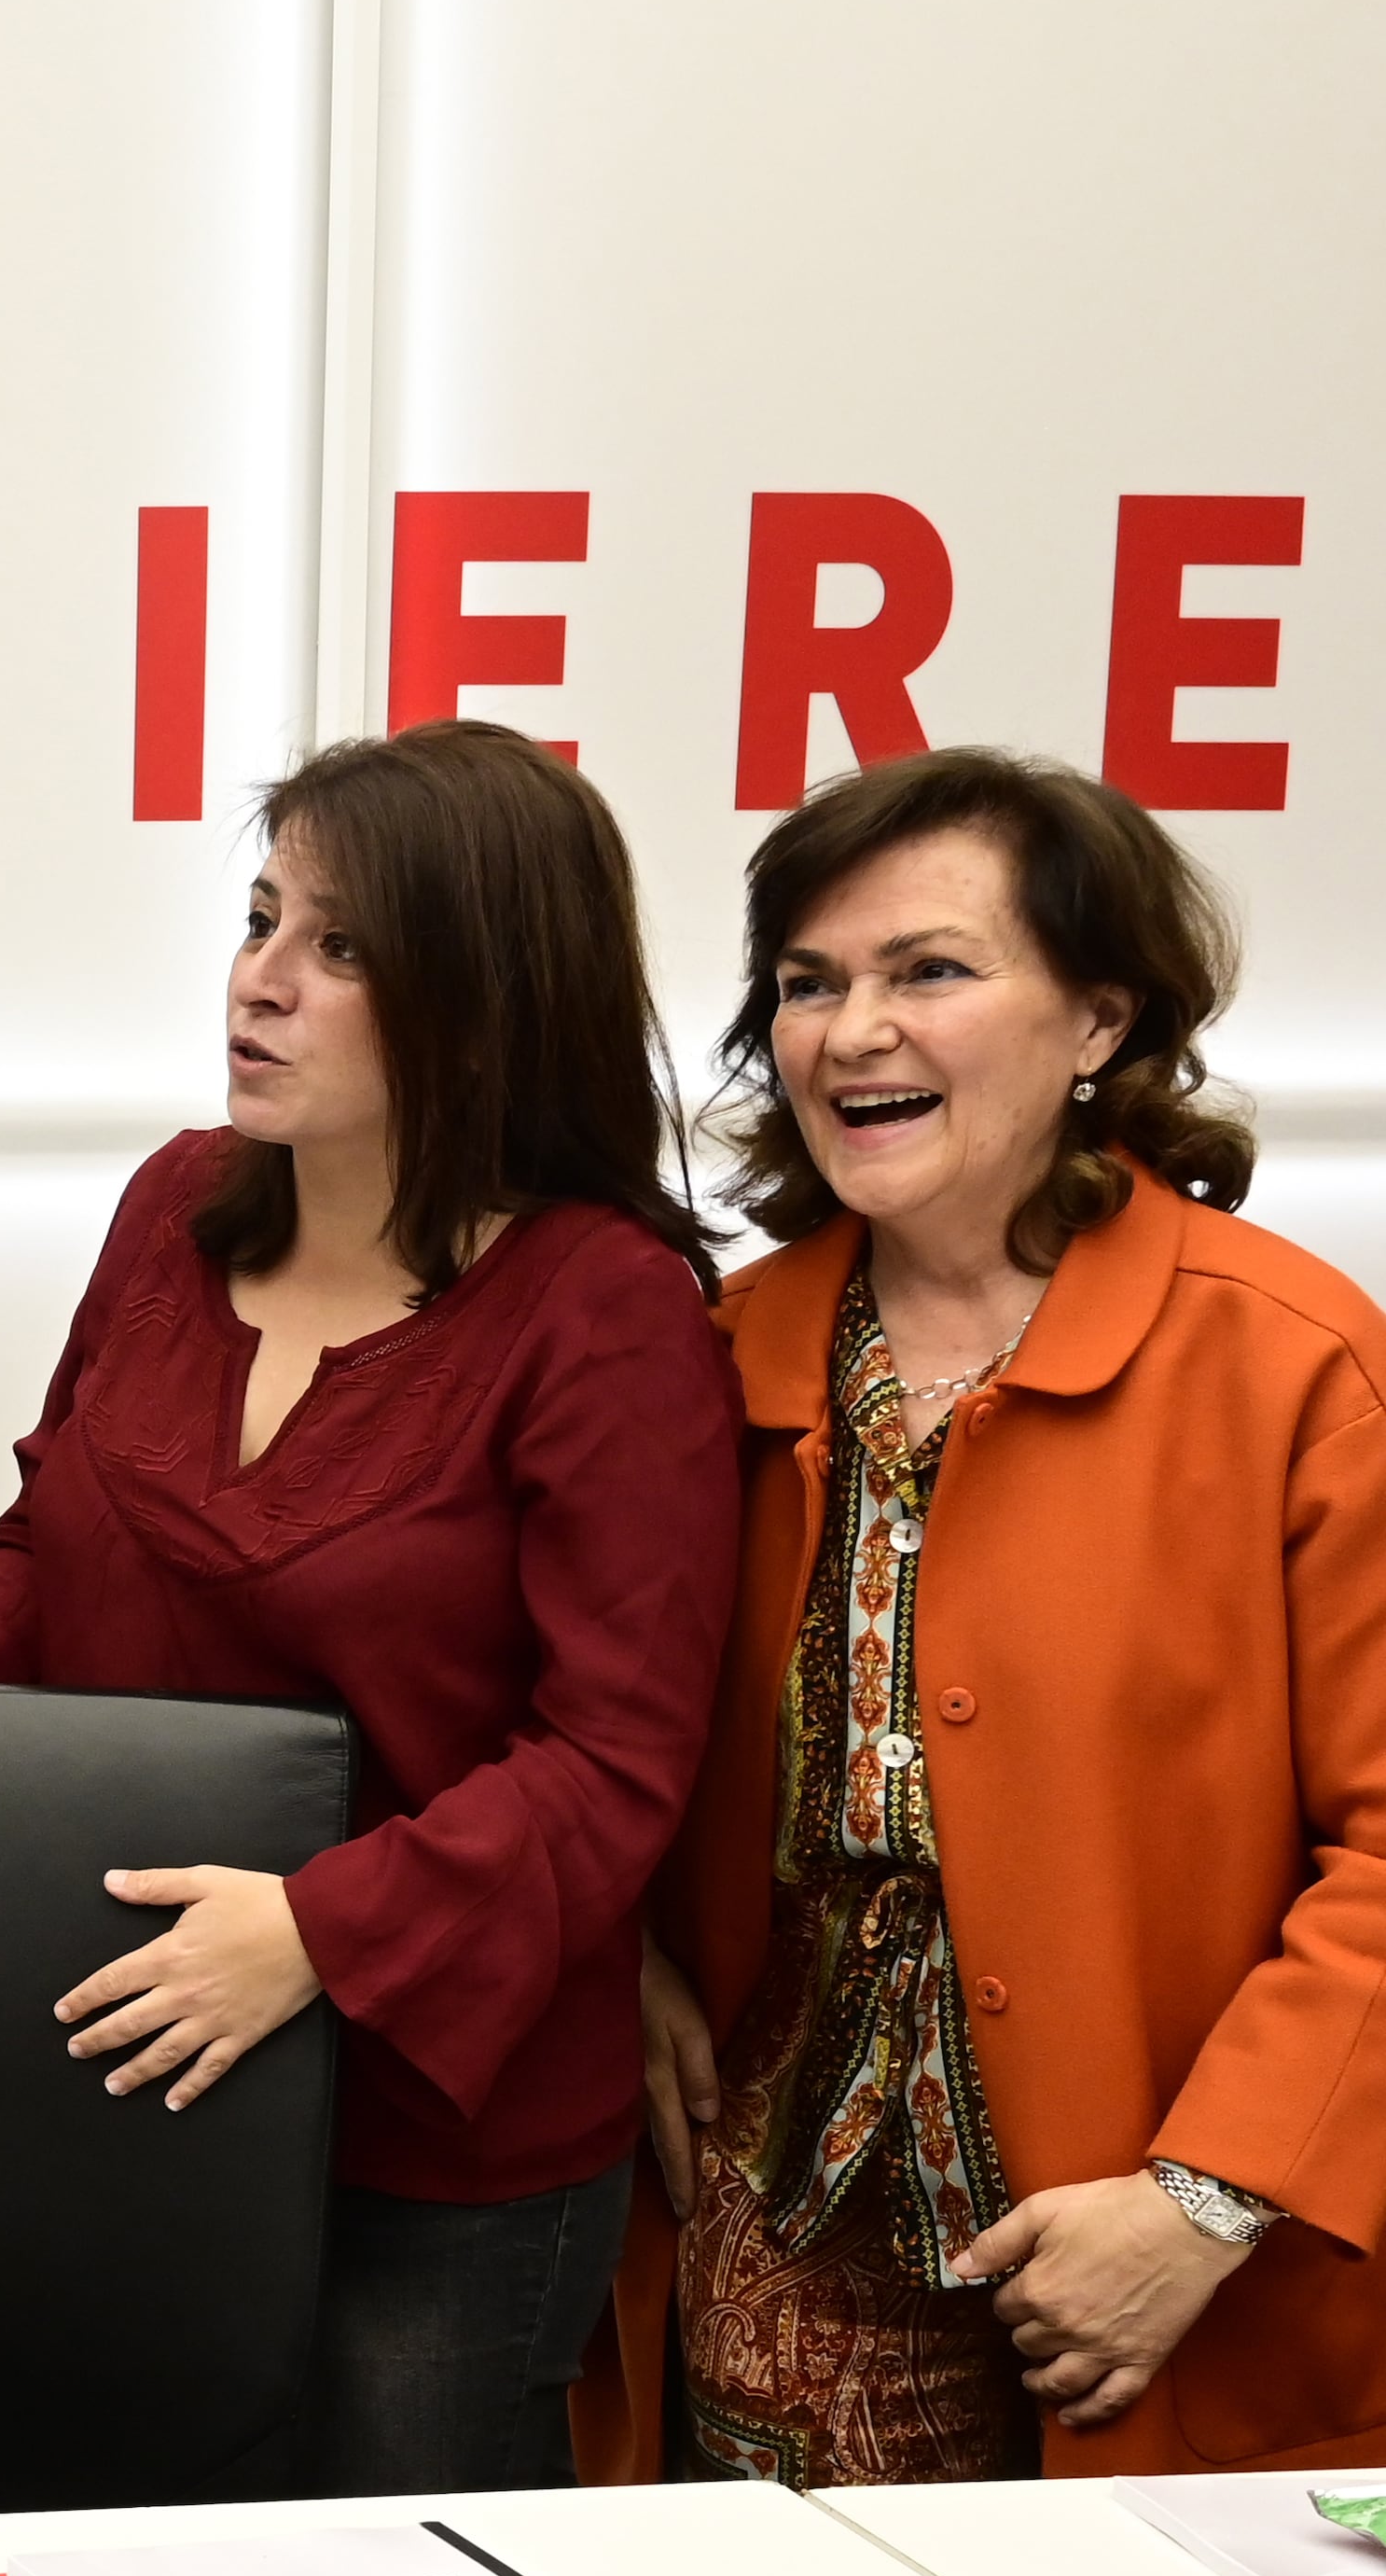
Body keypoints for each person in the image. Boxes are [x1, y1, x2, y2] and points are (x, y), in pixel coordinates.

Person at [0, 721, 740, 2495]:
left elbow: (613, 1761)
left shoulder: (607, 1311)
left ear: (484, 994)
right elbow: (61, 1525)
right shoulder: (173, 1203)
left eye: (339, 948)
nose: (260, 983)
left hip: (438, 2145)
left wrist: (323, 1935)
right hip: (135, 2069)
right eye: (262, 920)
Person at [592, 750, 1386, 2485]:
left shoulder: (1296, 1363)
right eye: (809, 984)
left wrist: (1204, 2198)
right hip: (770, 2226)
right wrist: (626, 1953)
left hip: (1157, 2259)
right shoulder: (700, 1358)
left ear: (1100, 1022)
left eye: (928, 971)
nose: (850, 1030)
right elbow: (582, 1733)